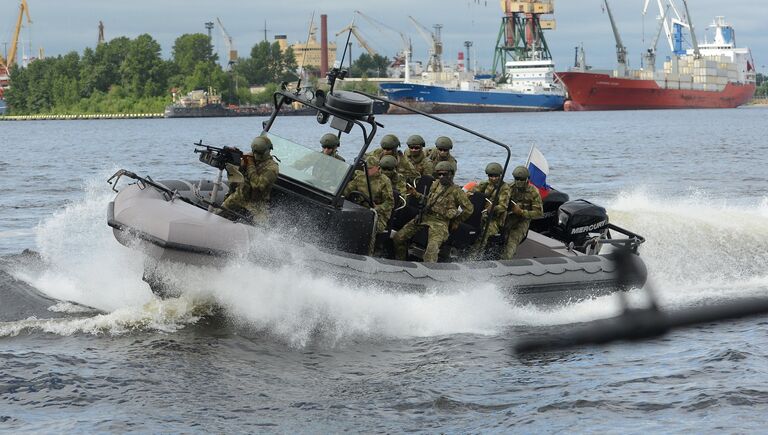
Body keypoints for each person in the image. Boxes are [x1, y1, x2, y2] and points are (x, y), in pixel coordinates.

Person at [393, 161, 473, 262]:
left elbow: (469, 209)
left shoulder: (456, 191)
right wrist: (415, 194)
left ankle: (430, 271)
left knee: (431, 251)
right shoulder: (435, 185)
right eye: (439, 174)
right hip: (425, 216)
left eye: (444, 174)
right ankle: (401, 262)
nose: (441, 176)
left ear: (451, 174)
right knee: (398, 238)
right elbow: (429, 201)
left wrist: (456, 221)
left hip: (440, 222)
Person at [219, 136, 280, 225]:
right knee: (217, 214)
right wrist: (234, 158)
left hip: (256, 205)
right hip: (238, 196)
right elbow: (236, 174)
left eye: (259, 153)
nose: (256, 156)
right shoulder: (250, 156)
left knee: (260, 227)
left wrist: (250, 164)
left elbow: (258, 185)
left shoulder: (272, 168)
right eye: (255, 152)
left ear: (269, 150)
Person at [343, 155, 394, 253]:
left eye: (370, 169)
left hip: (378, 215)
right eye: (365, 168)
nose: (367, 171)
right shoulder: (360, 177)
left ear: (377, 168)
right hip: (360, 210)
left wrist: (378, 208)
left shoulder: (384, 181)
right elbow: (347, 190)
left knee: (367, 227)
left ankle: (367, 253)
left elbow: (390, 203)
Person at [502, 165, 543, 260]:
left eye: (522, 179)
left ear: (527, 179)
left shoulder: (533, 192)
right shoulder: (509, 188)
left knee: (512, 241)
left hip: (522, 221)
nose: (519, 182)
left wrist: (521, 212)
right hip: (507, 218)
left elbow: (539, 213)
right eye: (517, 179)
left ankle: (505, 260)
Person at [470, 162, 511, 252]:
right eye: (491, 176)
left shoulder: (504, 188)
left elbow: (503, 206)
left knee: (484, 233)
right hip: (481, 214)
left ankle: (476, 255)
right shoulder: (485, 184)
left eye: (496, 176)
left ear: (500, 175)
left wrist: (493, 208)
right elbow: (473, 193)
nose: (493, 178)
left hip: (495, 219)